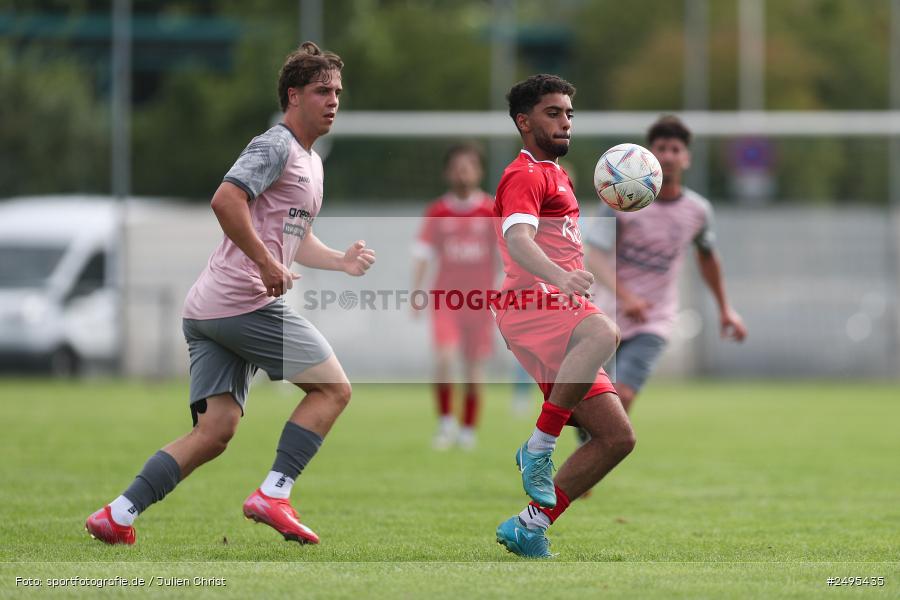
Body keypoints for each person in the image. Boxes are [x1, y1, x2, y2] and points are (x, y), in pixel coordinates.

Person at [85, 42, 375, 546]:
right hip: (243, 302)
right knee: (333, 390)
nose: (333, 101)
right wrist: (265, 264)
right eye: (322, 91)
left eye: (338, 92)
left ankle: (118, 514)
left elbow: (292, 236)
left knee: (213, 432)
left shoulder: (312, 162)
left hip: (210, 309)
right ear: (293, 95)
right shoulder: (275, 145)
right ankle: (274, 494)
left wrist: (338, 261)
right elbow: (226, 200)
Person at [491, 74, 636, 558]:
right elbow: (517, 240)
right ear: (524, 121)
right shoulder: (525, 175)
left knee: (616, 438)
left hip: (554, 309)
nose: (565, 121)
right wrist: (561, 275)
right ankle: (537, 448)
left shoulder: (559, 176)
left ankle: (529, 526)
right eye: (553, 113)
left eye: (569, 113)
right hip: (532, 304)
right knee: (603, 330)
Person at [584, 115, 747, 416]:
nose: (669, 156)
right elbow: (594, 257)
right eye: (661, 148)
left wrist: (725, 308)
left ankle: (599, 442)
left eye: (675, 149)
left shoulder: (697, 211)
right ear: (649, 156)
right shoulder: (620, 201)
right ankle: (594, 439)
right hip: (607, 315)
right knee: (590, 400)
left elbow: (707, 257)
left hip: (654, 320)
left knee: (624, 393)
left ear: (687, 158)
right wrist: (627, 297)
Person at [412, 143, 496, 450]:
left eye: (469, 166)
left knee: (474, 367)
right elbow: (422, 254)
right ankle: (446, 421)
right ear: (448, 172)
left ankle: (468, 428)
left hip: (481, 301)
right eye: (458, 166)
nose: (463, 172)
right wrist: (416, 292)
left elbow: (505, 255)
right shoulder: (438, 211)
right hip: (446, 298)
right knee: (445, 358)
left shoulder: (490, 210)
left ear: (479, 171)